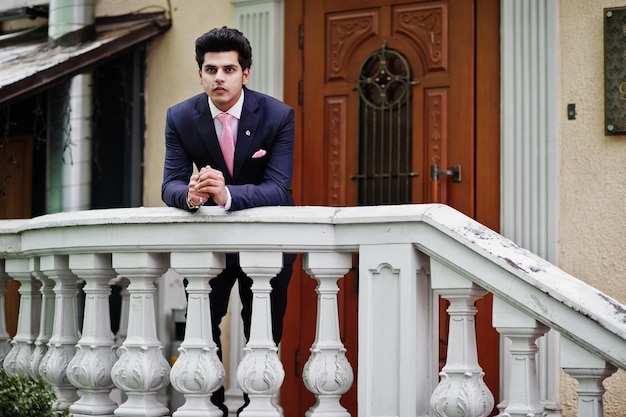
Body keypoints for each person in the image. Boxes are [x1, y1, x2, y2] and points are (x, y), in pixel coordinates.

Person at [161, 26, 295, 416]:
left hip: (267, 246)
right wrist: (189, 195)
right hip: (209, 246)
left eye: (229, 69)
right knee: (203, 330)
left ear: (245, 74)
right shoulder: (181, 117)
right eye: (211, 69)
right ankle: (212, 406)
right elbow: (168, 182)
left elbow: (279, 188)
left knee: (264, 334)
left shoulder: (277, 115)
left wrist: (227, 193)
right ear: (200, 74)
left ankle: (257, 406)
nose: (219, 77)